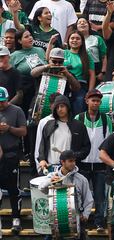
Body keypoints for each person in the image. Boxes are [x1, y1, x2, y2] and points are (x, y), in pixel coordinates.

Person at [74, 89, 112, 232]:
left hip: (100, 164)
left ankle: (99, 223)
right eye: (93, 100)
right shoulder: (79, 118)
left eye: (98, 101)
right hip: (82, 164)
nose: (95, 103)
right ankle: (81, 221)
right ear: (86, 101)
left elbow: (109, 140)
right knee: (81, 194)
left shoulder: (106, 119)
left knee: (100, 196)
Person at [39, 150, 94, 240]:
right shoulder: (52, 176)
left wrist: (85, 214)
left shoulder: (81, 179)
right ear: (62, 162)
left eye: (74, 161)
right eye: (70, 161)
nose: (73, 163)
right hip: (57, 219)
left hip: (77, 220)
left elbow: (88, 198)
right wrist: (50, 181)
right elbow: (41, 188)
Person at [38, 95, 91, 172]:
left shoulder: (79, 126)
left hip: (70, 169)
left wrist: (73, 156)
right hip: (51, 167)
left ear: (67, 107)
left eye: (62, 106)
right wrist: (42, 159)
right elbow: (42, 144)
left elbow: (86, 148)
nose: (59, 109)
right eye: (57, 107)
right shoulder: (49, 124)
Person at [47, 30, 96, 115]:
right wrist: (51, 43)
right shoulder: (63, 52)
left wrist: (90, 92)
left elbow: (92, 74)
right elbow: (49, 59)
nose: (74, 40)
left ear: (82, 42)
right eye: (72, 38)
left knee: (80, 100)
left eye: (78, 39)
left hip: (80, 84)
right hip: (62, 83)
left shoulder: (87, 55)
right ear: (68, 40)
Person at [0, 87, 26, 233]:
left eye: (3, 101)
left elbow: (24, 131)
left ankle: (16, 218)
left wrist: (9, 128)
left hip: (11, 154)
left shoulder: (16, 110)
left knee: (13, 189)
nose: (1, 104)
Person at [10, 29, 46, 117]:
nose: (30, 38)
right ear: (19, 41)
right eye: (26, 37)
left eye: (30, 35)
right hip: (25, 89)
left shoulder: (40, 50)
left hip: (42, 87)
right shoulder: (14, 55)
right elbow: (11, 76)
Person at [34, 92, 60, 173]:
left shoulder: (70, 122)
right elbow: (39, 145)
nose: (58, 108)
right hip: (48, 165)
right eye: (55, 105)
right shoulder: (44, 122)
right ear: (50, 106)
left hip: (65, 166)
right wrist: (39, 166)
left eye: (61, 105)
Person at [77, 17, 107, 82]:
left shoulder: (97, 39)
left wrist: (103, 72)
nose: (82, 23)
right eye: (79, 23)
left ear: (89, 26)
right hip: (80, 69)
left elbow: (104, 57)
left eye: (84, 22)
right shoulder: (75, 40)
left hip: (96, 69)